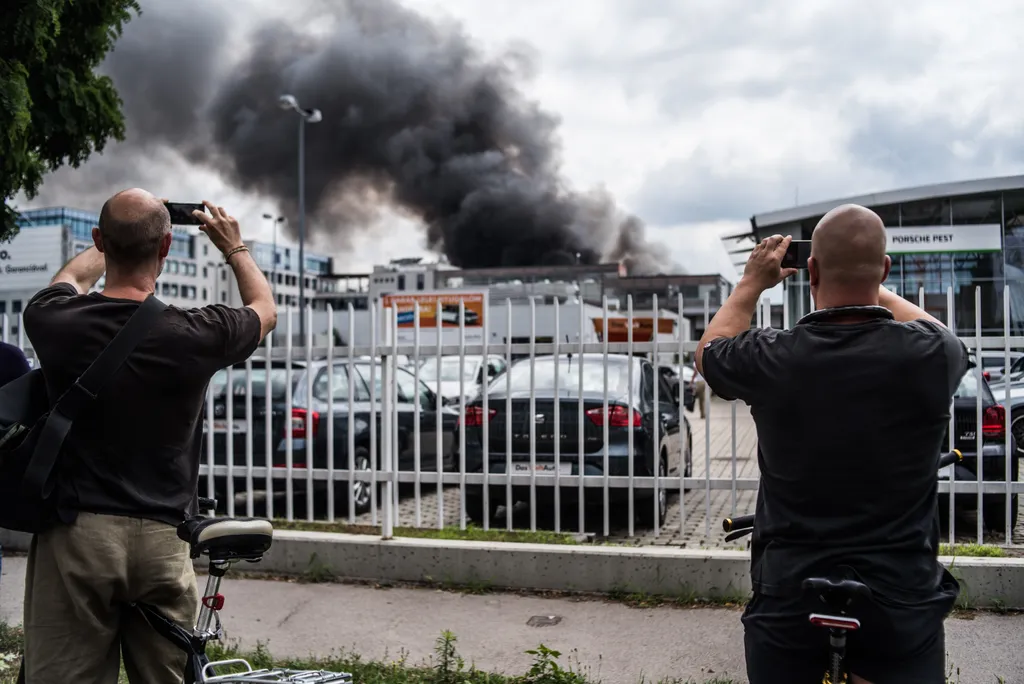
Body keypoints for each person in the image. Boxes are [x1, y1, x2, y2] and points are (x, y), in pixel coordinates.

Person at [696, 204, 965, 684]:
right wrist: (863, 274)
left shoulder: (772, 355)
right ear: (883, 270)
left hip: (791, 585)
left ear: (811, 270)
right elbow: (939, 330)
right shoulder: (932, 353)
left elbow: (709, 353)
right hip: (900, 590)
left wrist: (751, 282)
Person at [20, 190, 277, 683]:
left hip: (78, 537)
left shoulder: (54, 320)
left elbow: (72, 278)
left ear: (99, 240)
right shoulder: (197, 332)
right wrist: (235, 249)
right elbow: (263, 308)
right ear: (166, 248)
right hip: (164, 539)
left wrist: (116, 235)